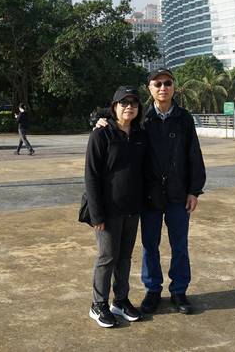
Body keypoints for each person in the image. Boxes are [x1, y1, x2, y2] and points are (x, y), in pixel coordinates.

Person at [140, 68, 206, 315]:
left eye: (167, 83)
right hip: (150, 195)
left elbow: (194, 154)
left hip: (178, 194)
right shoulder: (142, 118)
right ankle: (152, 290)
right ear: (149, 88)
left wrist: (194, 191)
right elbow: (118, 122)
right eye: (157, 84)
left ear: (174, 87)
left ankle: (179, 291)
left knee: (179, 245)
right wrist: (101, 122)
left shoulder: (184, 118)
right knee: (150, 245)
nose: (163, 88)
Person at [84, 86, 148, 328]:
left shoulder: (140, 134)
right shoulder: (101, 135)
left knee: (125, 257)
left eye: (133, 103)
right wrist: (96, 214)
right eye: (124, 103)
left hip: (132, 208)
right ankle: (98, 304)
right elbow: (91, 176)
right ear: (114, 107)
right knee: (107, 257)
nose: (129, 107)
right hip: (108, 211)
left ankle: (120, 300)